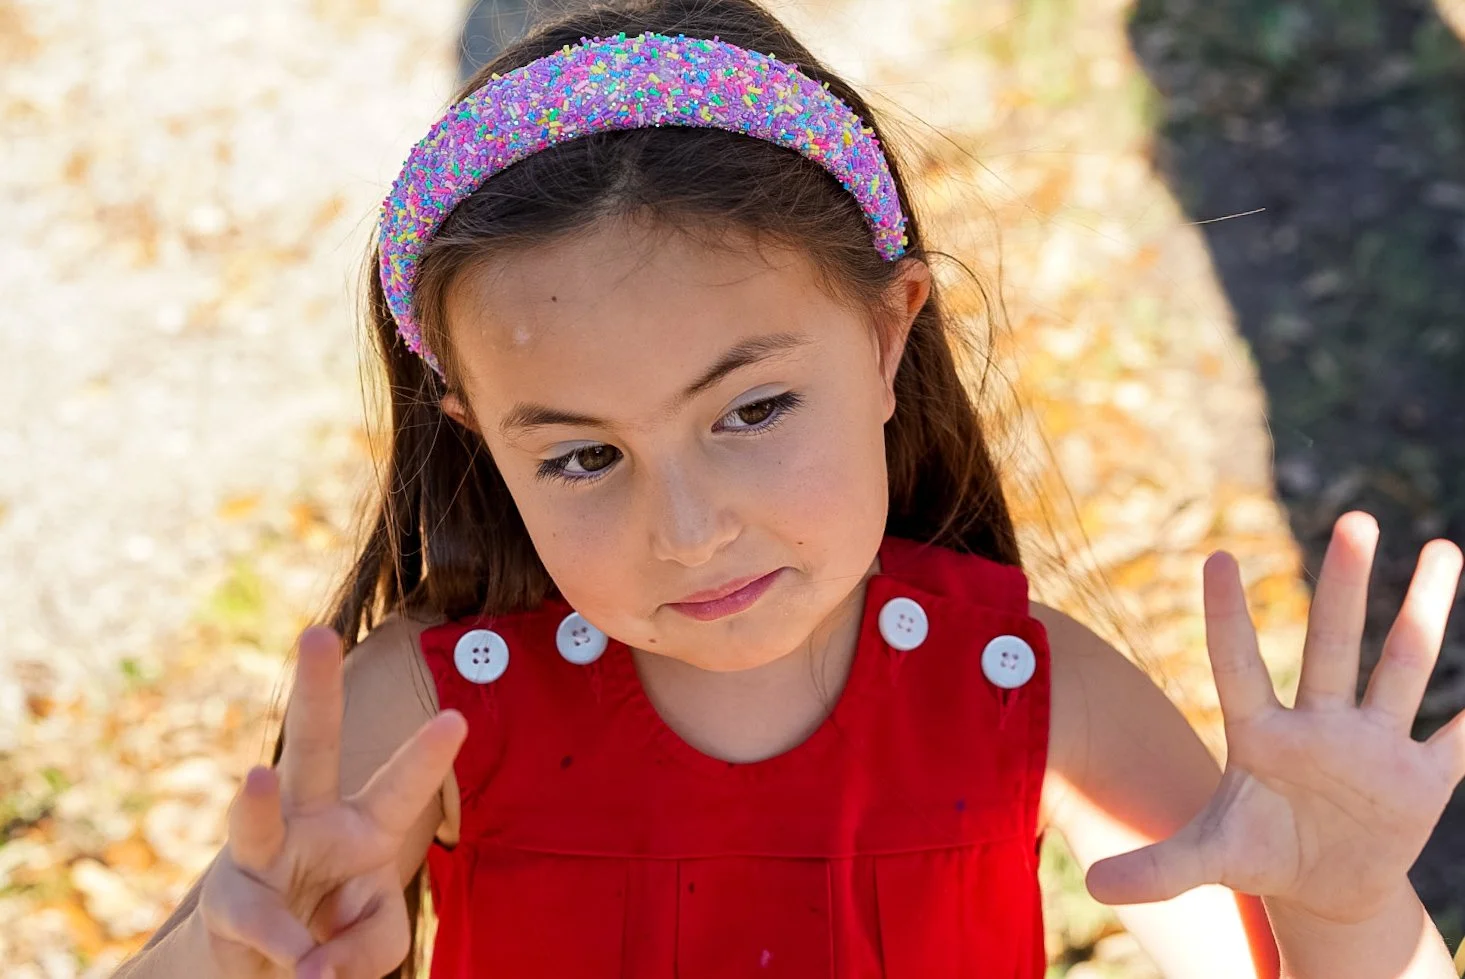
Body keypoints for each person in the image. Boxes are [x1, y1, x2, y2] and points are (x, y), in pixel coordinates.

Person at [115, 1, 1465, 977]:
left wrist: (1345, 910)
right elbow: (244, 932)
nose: (690, 530)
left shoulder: (1025, 686)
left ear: (888, 337)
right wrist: (224, 968)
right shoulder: (427, 716)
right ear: (478, 436)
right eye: (582, 454)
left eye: (752, 409)